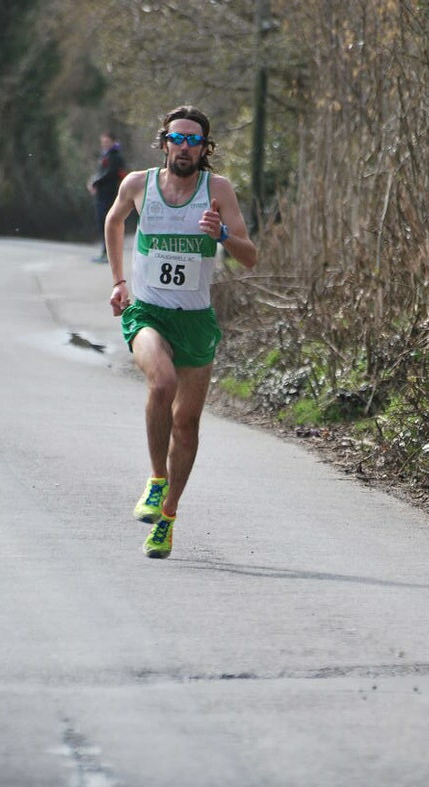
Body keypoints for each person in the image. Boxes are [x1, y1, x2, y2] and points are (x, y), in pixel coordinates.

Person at [104, 105, 257, 558]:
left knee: (186, 424)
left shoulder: (218, 190)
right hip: (148, 312)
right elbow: (114, 221)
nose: (185, 147)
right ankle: (156, 479)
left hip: (195, 320)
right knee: (162, 383)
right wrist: (118, 282)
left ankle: (167, 517)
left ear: (205, 149)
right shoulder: (138, 184)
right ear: (164, 141)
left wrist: (223, 232)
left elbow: (250, 257)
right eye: (178, 138)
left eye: (194, 141)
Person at [88, 131, 126, 262]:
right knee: (101, 223)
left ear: (113, 141)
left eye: (107, 142)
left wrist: (95, 182)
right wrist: (93, 182)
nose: (105, 144)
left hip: (109, 195)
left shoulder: (115, 156)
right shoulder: (105, 155)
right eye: (103, 142)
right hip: (101, 194)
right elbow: (100, 172)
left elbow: (110, 174)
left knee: (107, 223)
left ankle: (109, 254)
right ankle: (105, 252)